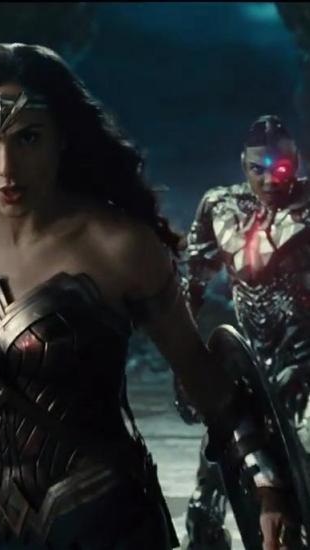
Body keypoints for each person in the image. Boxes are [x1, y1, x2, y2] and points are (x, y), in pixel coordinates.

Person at [0, 44, 291, 550]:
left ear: (62, 137)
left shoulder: (121, 245)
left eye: (28, 138)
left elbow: (203, 378)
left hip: (101, 523)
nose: (5, 168)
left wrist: (268, 486)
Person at [178, 114, 310, 549]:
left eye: (282, 168)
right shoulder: (221, 207)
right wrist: (186, 361)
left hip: (304, 369)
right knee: (207, 501)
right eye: (259, 169)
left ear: (297, 162)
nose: (271, 179)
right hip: (247, 370)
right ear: (243, 165)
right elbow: (191, 284)